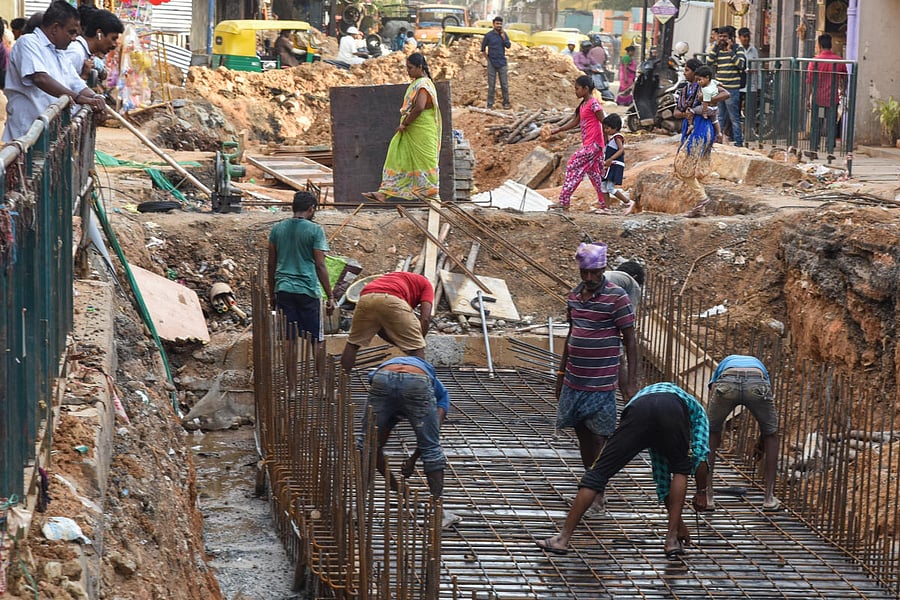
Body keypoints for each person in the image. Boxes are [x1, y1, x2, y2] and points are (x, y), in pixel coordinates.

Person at [534, 381, 710, 558]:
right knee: (681, 468)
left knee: (598, 473)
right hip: (672, 411)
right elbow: (701, 456)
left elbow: (662, 478)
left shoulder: (648, 395)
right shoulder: (697, 412)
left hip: (638, 410)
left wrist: (680, 523)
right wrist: (701, 492)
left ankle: (562, 539)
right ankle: (671, 541)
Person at [554, 242, 638, 514]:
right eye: (584, 273)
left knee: (600, 436)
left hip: (601, 382)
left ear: (603, 268)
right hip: (575, 380)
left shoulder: (617, 297)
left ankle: (598, 491)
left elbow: (630, 340)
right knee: (582, 434)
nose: (589, 279)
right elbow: (571, 335)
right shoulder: (574, 297)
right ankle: (590, 481)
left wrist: (631, 381)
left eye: (594, 273)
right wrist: (560, 373)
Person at [360, 356, 461, 529]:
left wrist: (412, 460)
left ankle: (358, 509)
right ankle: (439, 515)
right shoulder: (435, 395)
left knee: (367, 445)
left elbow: (375, 448)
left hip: (383, 376)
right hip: (416, 380)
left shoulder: (440, 394)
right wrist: (398, 487)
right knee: (432, 450)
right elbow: (430, 438)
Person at [3, 2, 106, 143]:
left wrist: (95, 97)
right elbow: (40, 78)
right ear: (55, 28)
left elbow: (76, 82)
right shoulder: (28, 43)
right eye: (71, 32)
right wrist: (78, 98)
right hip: (27, 134)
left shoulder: (59, 52)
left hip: (51, 134)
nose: (74, 38)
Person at [267, 191, 334, 387]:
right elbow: (320, 265)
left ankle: (293, 389)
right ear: (311, 209)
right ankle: (321, 385)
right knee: (317, 340)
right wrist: (330, 295)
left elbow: (271, 264)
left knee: (289, 340)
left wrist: (272, 292)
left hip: (284, 289)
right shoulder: (315, 230)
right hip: (307, 291)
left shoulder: (277, 229)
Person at [363, 53, 440, 202]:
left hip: (422, 130)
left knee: (426, 162)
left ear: (420, 67)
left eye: (410, 68)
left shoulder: (424, 84)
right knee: (397, 156)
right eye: (407, 68)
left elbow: (419, 107)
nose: (408, 71)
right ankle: (385, 192)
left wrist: (405, 124)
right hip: (412, 130)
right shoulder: (417, 83)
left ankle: (431, 195)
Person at [706, 355, 779, 511]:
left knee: (710, 433)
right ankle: (769, 498)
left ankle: (707, 495)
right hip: (756, 381)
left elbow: (713, 393)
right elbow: (767, 428)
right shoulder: (761, 368)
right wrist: (762, 442)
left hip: (728, 381)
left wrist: (714, 433)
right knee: (772, 435)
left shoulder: (723, 366)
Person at [340, 271, 434, 372]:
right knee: (417, 349)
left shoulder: (396, 277)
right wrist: (418, 341)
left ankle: (342, 380)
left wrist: (403, 345)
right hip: (392, 298)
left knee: (353, 343)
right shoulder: (426, 284)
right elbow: (425, 318)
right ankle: (421, 384)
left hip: (365, 298)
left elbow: (381, 330)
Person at [672, 58, 730, 218]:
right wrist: (687, 113)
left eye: (687, 70)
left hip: (701, 129)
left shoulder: (705, 85)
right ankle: (701, 208)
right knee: (693, 168)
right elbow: (676, 112)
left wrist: (709, 100)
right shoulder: (686, 90)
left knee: (683, 167)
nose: (685, 74)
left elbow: (726, 93)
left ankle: (702, 198)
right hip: (692, 127)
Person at [548, 75, 606, 211]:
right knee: (596, 176)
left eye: (577, 89)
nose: (576, 91)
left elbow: (604, 122)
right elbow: (575, 122)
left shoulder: (594, 104)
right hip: (591, 145)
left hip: (594, 145)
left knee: (572, 165)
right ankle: (605, 205)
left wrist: (608, 143)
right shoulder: (583, 105)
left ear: (586, 89)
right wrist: (559, 129)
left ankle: (564, 201)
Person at [807, 34, 847, 157]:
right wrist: (843, 91)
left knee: (817, 125)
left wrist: (807, 98)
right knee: (831, 124)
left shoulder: (815, 61)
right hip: (832, 99)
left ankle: (814, 149)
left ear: (819, 45)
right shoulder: (838, 61)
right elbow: (845, 78)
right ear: (831, 44)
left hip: (818, 99)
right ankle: (830, 150)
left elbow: (809, 81)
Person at [707, 25, 746, 146]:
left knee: (734, 118)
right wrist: (715, 46)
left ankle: (739, 143)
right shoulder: (717, 50)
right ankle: (716, 142)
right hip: (720, 89)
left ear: (731, 38)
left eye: (725, 36)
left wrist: (730, 52)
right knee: (719, 117)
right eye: (720, 36)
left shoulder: (738, 49)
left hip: (732, 89)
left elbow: (741, 65)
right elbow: (709, 62)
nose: (722, 39)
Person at [65, 6, 122, 83]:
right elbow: (60, 88)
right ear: (99, 33)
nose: (114, 45)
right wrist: (84, 76)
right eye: (113, 39)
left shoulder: (85, 53)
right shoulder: (76, 53)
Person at [599, 113, 633, 213]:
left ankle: (628, 202)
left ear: (615, 127)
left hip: (615, 165)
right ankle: (607, 208)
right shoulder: (611, 138)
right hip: (610, 166)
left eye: (607, 128)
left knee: (610, 188)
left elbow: (621, 150)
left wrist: (610, 159)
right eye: (604, 128)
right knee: (603, 187)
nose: (606, 130)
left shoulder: (618, 137)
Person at [686, 65, 723, 142]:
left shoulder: (705, 89)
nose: (698, 82)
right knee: (715, 120)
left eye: (700, 80)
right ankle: (719, 133)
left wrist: (704, 112)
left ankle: (690, 125)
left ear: (707, 78)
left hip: (708, 109)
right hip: (715, 109)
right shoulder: (713, 83)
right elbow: (719, 83)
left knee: (691, 111)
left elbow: (705, 102)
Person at [481, 16, 510, 109]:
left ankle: (506, 103)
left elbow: (508, 45)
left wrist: (503, 36)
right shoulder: (488, 35)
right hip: (492, 64)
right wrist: (488, 60)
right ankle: (490, 104)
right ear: (493, 24)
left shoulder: (504, 34)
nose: (499, 25)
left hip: (502, 63)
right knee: (491, 85)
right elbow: (483, 49)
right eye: (497, 23)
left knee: (504, 85)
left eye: (500, 24)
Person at [737, 27, 758, 114]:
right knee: (737, 108)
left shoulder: (754, 50)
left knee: (750, 109)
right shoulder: (737, 49)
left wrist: (758, 85)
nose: (746, 39)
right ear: (740, 37)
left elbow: (758, 68)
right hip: (739, 85)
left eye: (748, 36)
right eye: (744, 36)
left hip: (751, 85)